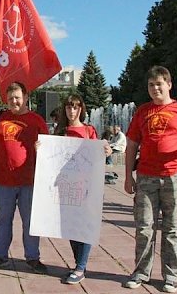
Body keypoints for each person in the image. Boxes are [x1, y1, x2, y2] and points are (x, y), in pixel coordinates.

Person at [123, 66, 177, 293]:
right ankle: (140, 272)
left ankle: (171, 276)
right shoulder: (142, 112)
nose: (155, 88)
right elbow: (131, 145)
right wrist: (128, 176)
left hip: (175, 176)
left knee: (172, 229)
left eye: (159, 84)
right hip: (147, 176)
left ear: (169, 84)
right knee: (144, 228)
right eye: (151, 85)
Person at [0, 81, 49, 274]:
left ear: (26, 98)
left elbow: (50, 148)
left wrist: (42, 148)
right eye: (10, 98)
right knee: (3, 220)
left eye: (17, 97)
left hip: (30, 181)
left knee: (30, 222)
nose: (14, 101)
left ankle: (32, 258)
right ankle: (0, 256)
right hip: (4, 181)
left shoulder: (37, 120)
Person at [53, 94, 111, 284]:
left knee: (84, 225)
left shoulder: (89, 130)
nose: (72, 110)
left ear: (81, 109)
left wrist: (106, 151)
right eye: (69, 107)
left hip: (86, 185)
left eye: (76, 107)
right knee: (71, 227)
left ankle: (80, 266)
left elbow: (98, 154)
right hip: (67, 185)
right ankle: (78, 264)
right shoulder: (60, 132)